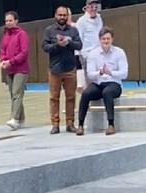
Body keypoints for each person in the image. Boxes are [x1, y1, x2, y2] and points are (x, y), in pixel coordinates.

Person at [76, 27, 128, 136]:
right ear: (99, 39)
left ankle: (111, 125)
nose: (106, 41)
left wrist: (110, 73)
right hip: (98, 83)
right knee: (86, 93)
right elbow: (90, 74)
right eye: (103, 39)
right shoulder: (93, 54)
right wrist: (99, 72)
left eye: (108, 38)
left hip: (114, 84)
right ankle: (80, 125)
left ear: (112, 39)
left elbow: (124, 73)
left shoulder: (119, 52)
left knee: (107, 92)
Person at [42, 6, 82, 134]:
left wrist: (68, 43)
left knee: (71, 97)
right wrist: (57, 45)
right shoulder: (49, 30)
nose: (62, 17)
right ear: (55, 15)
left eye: (64, 15)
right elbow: (45, 47)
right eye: (60, 15)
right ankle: (55, 124)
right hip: (55, 69)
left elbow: (79, 45)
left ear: (68, 16)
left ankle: (70, 123)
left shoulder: (74, 30)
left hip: (70, 68)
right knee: (54, 98)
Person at [0, 11, 29, 131]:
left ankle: (15, 119)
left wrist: (11, 61)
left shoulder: (22, 34)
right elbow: (2, 50)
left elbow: (24, 52)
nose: (8, 23)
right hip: (9, 69)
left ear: (16, 21)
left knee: (17, 93)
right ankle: (21, 118)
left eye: (10, 20)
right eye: (6, 21)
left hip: (21, 69)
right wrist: (3, 61)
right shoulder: (5, 35)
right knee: (13, 94)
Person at [75, 0, 103, 93]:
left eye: (96, 6)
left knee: (100, 80)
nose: (94, 9)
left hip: (99, 55)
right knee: (89, 82)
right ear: (86, 7)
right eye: (91, 6)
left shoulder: (99, 19)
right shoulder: (81, 21)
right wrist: (78, 56)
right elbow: (78, 38)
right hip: (86, 56)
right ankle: (89, 104)